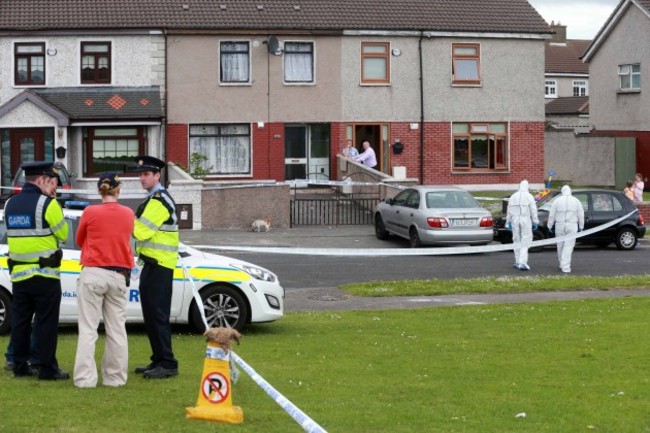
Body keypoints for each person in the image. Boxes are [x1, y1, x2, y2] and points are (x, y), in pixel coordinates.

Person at [4, 161, 69, 380]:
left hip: (19, 276)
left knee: (21, 322)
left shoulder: (10, 204)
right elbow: (64, 234)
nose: (52, 186)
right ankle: (47, 368)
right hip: (45, 275)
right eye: (51, 182)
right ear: (40, 180)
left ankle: (20, 366)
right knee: (46, 323)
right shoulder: (48, 204)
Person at [73, 173, 135, 388]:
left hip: (93, 273)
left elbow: (79, 240)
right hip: (119, 274)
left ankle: (84, 379)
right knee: (117, 329)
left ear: (100, 190)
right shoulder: (128, 213)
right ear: (118, 190)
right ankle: (115, 378)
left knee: (88, 329)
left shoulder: (90, 212)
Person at [132, 156, 180, 379]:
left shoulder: (159, 200)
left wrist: (121, 218)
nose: (142, 178)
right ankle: (158, 359)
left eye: (146, 174)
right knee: (151, 316)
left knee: (158, 315)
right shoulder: (152, 199)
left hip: (160, 266)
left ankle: (168, 363)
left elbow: (141, 231)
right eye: (140, 174)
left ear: (157, 175)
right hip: (153, 265)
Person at [548, 185, 585, 274]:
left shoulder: (557, 201)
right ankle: (566, 266)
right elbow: (581, 214)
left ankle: (562, 263)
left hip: (559, 225)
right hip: (572, 225)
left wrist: (549, 225)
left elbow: (552, 214)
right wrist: (581, 226)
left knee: (560, 245)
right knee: (568, 246)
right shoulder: (576, 201)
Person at [506, 180, 539, 271]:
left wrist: (508, 221)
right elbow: (533, 209)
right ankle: (522, 262)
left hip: (515, 220)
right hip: (525, 219)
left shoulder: (513, 196)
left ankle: (517, 261)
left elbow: (508, 209)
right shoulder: (529, 196)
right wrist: (535, 221)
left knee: (516, 240)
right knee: (526, 240)